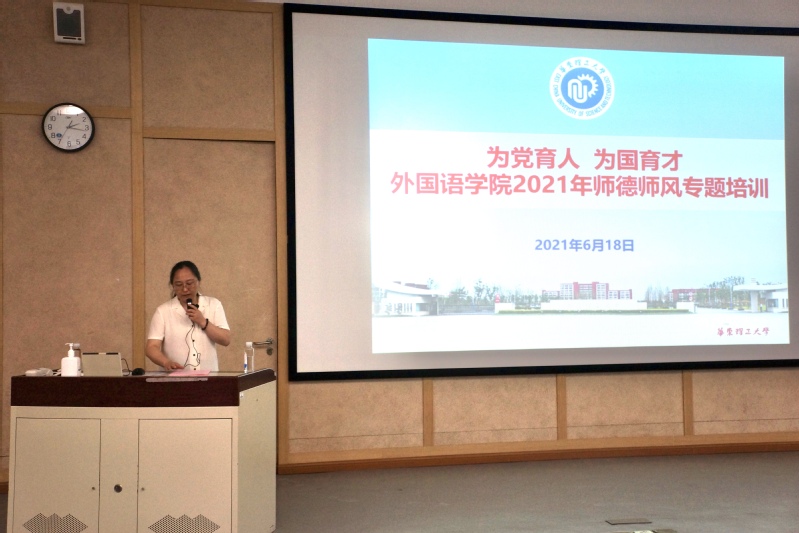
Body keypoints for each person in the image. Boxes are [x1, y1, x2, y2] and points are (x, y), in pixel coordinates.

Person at [146, 260, 231, 371]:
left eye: (189, 283)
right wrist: (166, 362)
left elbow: (225, 340)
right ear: (172, 286)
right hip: (174, 378)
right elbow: (151, 347)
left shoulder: (214, 304)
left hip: (208, 377)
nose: (185, 289)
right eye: (179, 285)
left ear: (198, 282)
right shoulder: (163, 311)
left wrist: (203, 321)